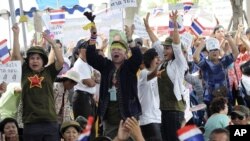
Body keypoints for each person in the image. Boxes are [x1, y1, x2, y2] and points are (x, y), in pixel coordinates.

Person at [86, 22, 142, 139]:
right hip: (109, 117)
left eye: (119, 49)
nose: (116, 51)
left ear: (125, 53)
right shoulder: (106, 65)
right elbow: (91, 57)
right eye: (113, 49)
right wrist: (93, 37)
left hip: (128, 115)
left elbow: (138, 57)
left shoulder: (130, 66)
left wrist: (130, 39)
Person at [11, 23, 64, 141]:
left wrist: (53, 43)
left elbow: (60, 61)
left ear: (43, 61)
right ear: (28, 60)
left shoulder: (49, 72)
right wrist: (16, 34)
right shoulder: (25, 71)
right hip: (30, 124)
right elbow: (15, 55)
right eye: (32, 58)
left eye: (38, 58)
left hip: (50, 122)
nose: (34, 61)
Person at [144, 11, 188, 141]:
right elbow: (156, 42)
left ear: (174, 50)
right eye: (164, 48)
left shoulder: (179, 63)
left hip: (175, 110)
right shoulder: (164, 61)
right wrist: (147, 28)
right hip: (164, 109)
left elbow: (177, 45)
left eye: (167, 48)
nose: (164, 50)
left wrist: (175, 25)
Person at [193, 33, 239, 116]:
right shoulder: (205, 64)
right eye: (212, 50)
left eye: (216, 49)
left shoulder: (223, 61)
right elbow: (195, 58)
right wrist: (201, 45)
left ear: (219, 50)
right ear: (207, 52)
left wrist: (230, 39)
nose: (214, 52)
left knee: (227, 122)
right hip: (210, 99)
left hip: (225, 98)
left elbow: (236, 53)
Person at [137, 48, 162, 140]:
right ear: (149, 59)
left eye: (159, 58)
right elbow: (152, 74)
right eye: (156, 58)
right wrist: (160, 65)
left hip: (158, 117)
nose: (158, 60)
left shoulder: (159, 75)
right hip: (147, 119)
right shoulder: (143, 73)